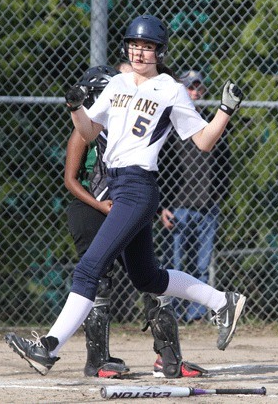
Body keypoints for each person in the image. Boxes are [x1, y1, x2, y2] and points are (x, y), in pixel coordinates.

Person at [5, 14, 246, 376]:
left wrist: (225, 111)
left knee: (89, 268)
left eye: (148, 47)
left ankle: (48, 348)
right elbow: (87, 132)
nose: (140, 52)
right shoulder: (116, 84)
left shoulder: (170, 88)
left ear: (159, 52)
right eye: (135, 45)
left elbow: (203, 141)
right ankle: (222, 302)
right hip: (118, 184)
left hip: (138, 186)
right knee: (146, 277)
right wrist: (75, 108)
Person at [64, 65, 206, 378]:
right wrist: (100, 206)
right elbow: (71, 179)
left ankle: (168, 358)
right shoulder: (87, 128)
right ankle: (97, 361)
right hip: (92, 207)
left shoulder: (132, 126)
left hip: (124, 206)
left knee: (151, 278)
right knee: (97, 277)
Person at [158, 69, 232, 323]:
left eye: (199, 88)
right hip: (178, 206)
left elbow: (226, 165)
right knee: (176, 262)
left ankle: (198, 314)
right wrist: (161, 207)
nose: (195, 92)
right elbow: (161, 167)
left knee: (202, 265)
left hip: (207, 206)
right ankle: (174, 313)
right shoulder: (171, 123)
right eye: (190, 88)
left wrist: (219, 197)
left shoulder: (214, 124)